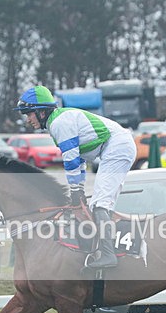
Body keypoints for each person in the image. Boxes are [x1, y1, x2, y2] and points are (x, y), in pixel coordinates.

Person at [13, 86, 136, 268]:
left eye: (28, 113)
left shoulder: (59, 123)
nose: (27, 119)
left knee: (100, 203)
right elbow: (79, 160)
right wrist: (78, 188)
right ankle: (104, 248)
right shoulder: (57, 122)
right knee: (98, 203)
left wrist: (75, 189)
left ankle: (109, 255)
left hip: (117, 147)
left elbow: (70, 160)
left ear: (40, 111)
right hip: (115, 146)